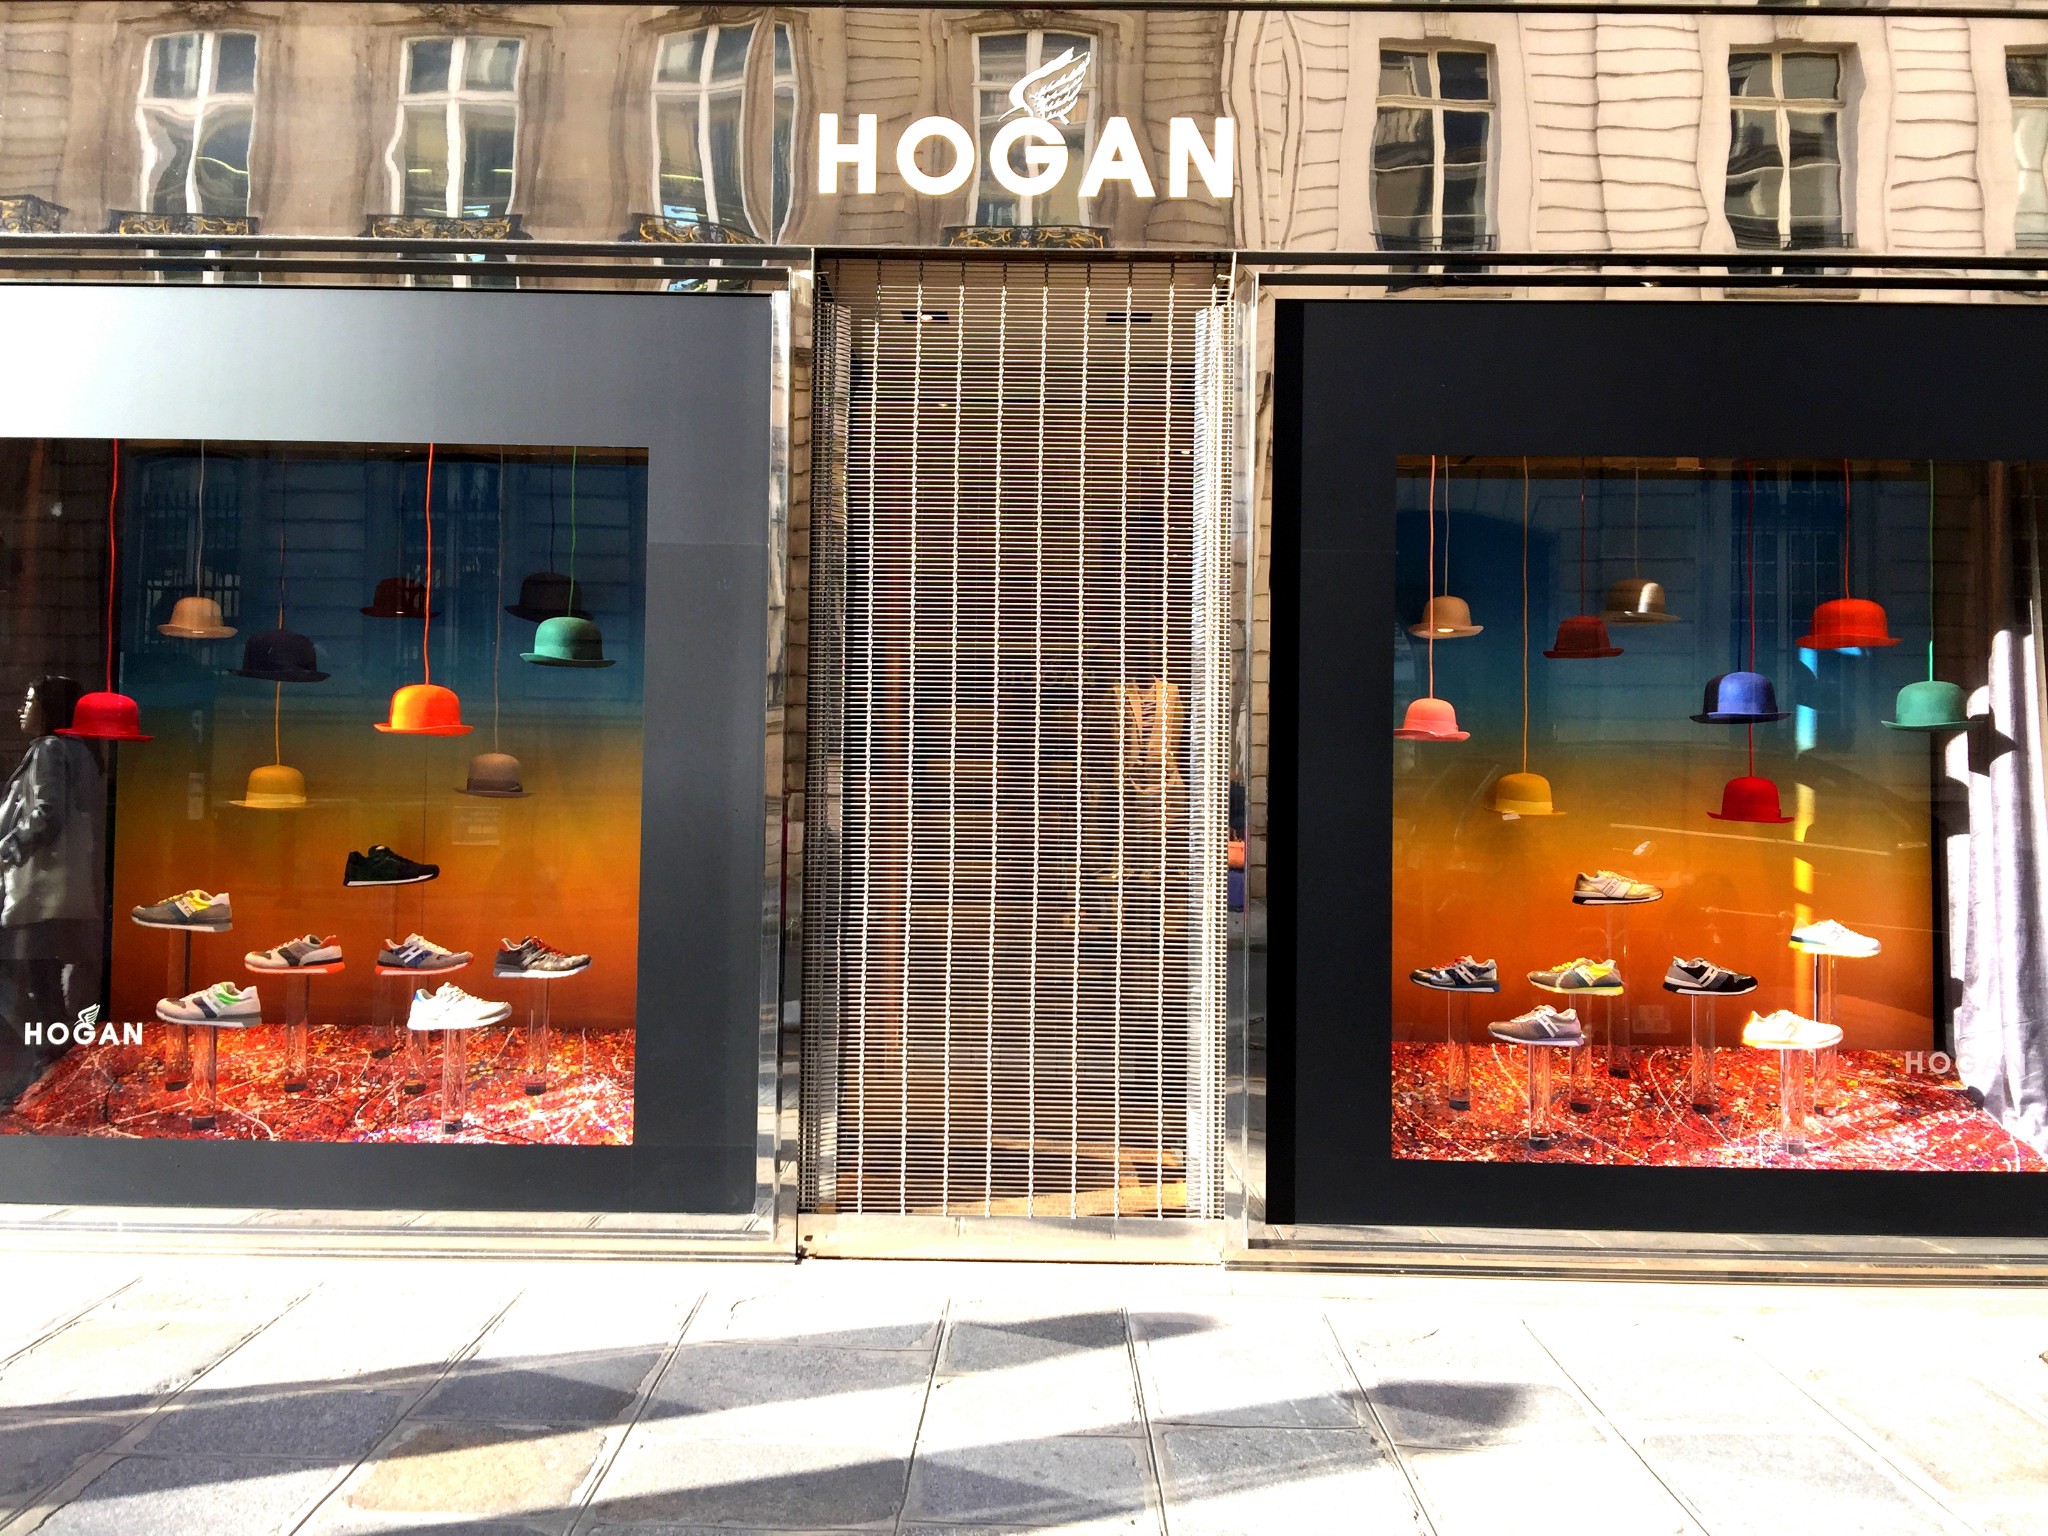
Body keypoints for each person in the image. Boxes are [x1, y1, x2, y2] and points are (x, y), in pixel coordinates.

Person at [0, 676, 105, 1103]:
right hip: (65, 890)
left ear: (50, 709)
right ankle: (58, 1071)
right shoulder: (80, 752)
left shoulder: (48, 749)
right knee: (47, 982)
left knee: (34, 981)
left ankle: (49, 1074)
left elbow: (46, 813)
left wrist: (10, 845)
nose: (22, 709)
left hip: (42, 891)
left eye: (30, 701)